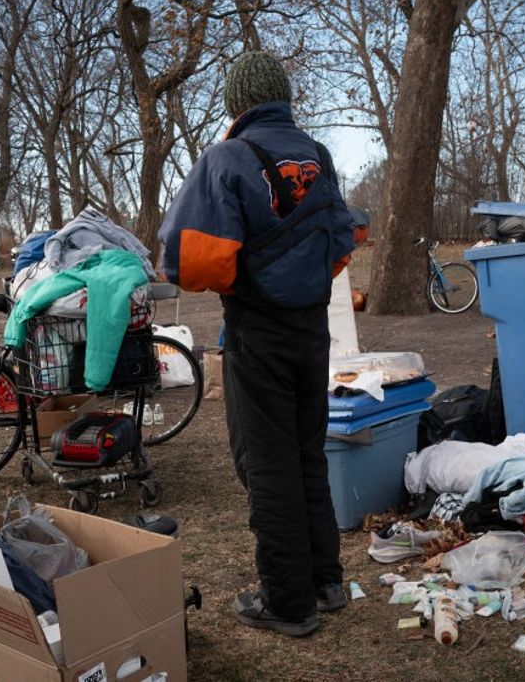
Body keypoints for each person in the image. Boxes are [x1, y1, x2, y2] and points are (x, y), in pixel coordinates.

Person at [158, 51, 356, 637]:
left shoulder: (225, 158)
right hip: (312, 327)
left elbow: (185, 258)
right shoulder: (318, 157)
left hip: (257, 329)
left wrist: (242, 275)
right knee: (306, 453)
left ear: (236, 104)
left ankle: (288, 603)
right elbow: (343, 241)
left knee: (267, 464)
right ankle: (327, 581)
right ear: (282, 98)